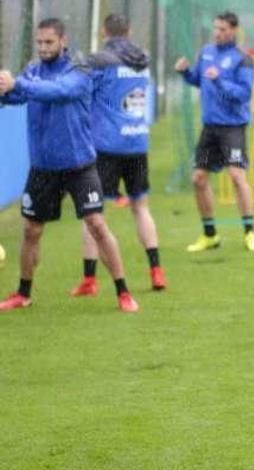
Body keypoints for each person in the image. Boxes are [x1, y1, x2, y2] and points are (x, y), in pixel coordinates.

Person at [0, 18, 138, 313]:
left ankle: (123, 292)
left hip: (79, 166)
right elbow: (17, 94)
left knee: (97, 225)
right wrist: (4, 91)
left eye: (48, 42)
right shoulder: (33, 71)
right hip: (43, 168)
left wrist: (19, 83)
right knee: (31, 231)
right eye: (39, 42)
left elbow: (60, 91)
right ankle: (23, 293)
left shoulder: (80, 68)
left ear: (63, 41)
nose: (42, 48)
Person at [70, 13, 166, 298]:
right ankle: (156, 270)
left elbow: (82, 91)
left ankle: (89, 279)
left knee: (92, 214)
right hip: (137, 142)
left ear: (104, 32)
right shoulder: (143, 60)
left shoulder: (100, 61)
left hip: (107, 146)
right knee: (141, 207)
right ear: (129, 31)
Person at [174, 10, 254, 253]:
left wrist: (219, 81)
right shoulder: (206, 53)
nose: (217, 33)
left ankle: (249, 231)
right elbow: (198, 80)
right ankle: (210, 234)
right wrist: (185, 73)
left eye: (222, 29)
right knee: (198, 179)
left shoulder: (242, 58)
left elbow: (243, 94)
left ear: (234, 30)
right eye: (215, 28)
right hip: (210, 127)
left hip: (233, 127)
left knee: (236, 176)